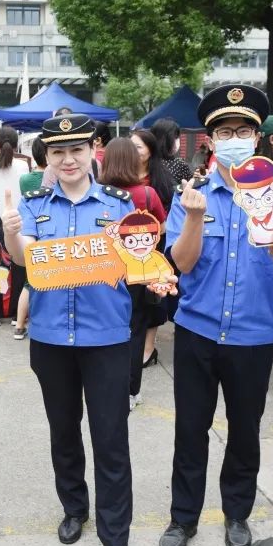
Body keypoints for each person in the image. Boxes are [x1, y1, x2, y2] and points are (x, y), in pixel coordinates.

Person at [158, 85, 273, 546]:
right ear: (210, 140)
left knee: (245, 431)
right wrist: (194, 219)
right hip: (198, 333)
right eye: (225, 132)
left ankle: (237, 514)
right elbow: (181, 264)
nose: (235, 139)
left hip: (252, 335)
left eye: (243, 131)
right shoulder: (192, 195)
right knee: (190, 430)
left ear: (258, 137)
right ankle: (183, 517)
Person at [3, 113, 141, 546]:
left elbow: (139, 259)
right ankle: (73, 508)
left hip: (106, 338)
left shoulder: (119, 205)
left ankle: (115, 535)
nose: (68, 159)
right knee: (63, 431)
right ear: (47, 156)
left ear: (92, 151)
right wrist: (10, 231)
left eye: (77, 150)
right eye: (58, 151)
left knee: (110, 438)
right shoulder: (34, 204)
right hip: (50, 338)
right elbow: (23, 258)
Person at [96, 137, 168, 412]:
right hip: (139, 271)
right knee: (136, 330)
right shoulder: (146, 194)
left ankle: (105, 385)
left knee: (106, 328)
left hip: (104, 271)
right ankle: (131, 390)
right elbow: (162, 227)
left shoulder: (98, 194)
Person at [130, 128, 174, 367]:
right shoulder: (122, 175)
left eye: (138, 147)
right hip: (128, 247)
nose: (134, 151)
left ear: (150, 151)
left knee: (153, 294)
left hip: (155, 244)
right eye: (131, 146)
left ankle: (148, 348)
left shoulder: (161, 179)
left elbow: (169, 218)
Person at [0, 126, 30, 325]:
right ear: (16, 145)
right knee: (19, 268)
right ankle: (15, 315)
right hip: (18, 221)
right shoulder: (23, 166)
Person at [13, 137, 49, 340]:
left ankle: (19, 324)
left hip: (31, 231)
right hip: (46, 232)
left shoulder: (26, 180)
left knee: (29, 282)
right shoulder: (55, 178)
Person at [151, 118, 193, 186]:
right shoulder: (179, 164)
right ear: (164, 140)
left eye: (178, 137)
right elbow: (191, 186)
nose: (178, 141)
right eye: (175, 137)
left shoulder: (146, 161)